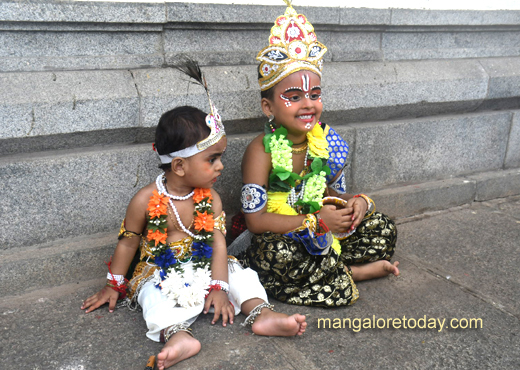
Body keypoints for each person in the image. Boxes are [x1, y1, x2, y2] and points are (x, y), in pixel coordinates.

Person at [81, 61, 306, 370]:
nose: (220, 167)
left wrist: (219, 287)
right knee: (153, 297)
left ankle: (262, 314)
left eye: (221, 158)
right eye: (212, 159)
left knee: (243, 277)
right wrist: (113, 285)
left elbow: (218, 244)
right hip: (162, 269)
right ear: (179, 166)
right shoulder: (145, 200)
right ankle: (177, 336)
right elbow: (128, 244)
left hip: (207, 264)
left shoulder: (210, 198)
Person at [237, 1, 399, 308]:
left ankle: (333, 270)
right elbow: (256, 221)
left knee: (382, 228)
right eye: (294, 97)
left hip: (318, 227)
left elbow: (325, 192)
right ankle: (349, 272)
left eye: (315, 95)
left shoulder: (322, 140)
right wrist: (313, 222)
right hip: (282, 236)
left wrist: (357, 203)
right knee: (276, 255)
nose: (308, 104)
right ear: (268, 107)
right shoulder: (260, 151)